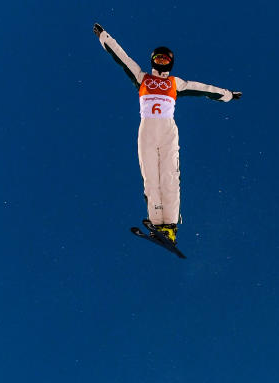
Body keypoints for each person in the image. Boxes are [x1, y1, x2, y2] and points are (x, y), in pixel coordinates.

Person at [94, 23, 241, 246]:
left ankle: (170, 226)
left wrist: (227, 95)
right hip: (147, 130)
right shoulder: (142, 78)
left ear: (170, 62)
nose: (161, 63)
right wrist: (105, 37)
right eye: (158, 59)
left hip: (167, 130)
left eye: (165, 59)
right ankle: (157, 224)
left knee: (169, 176)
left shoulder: (175, 83)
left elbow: (203, 88)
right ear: (153, 60)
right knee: (151, 177)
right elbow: (122, 58)